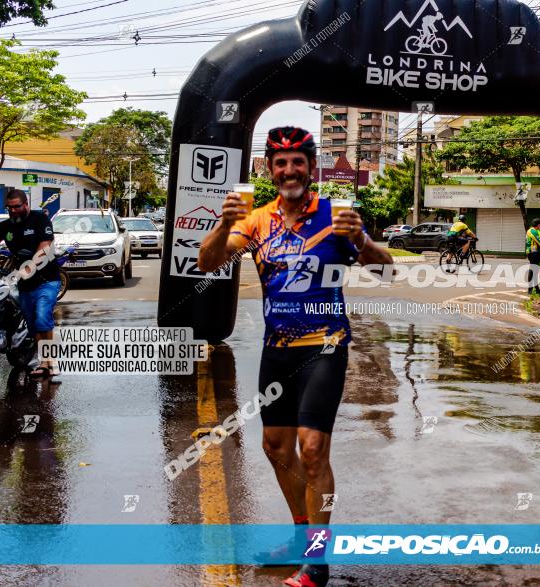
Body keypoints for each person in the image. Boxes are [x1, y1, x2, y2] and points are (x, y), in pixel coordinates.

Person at [197, 126, 392, 587]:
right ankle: (302, 536)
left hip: (325, 348)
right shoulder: (256, 219)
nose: (290, 170)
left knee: (312, 448)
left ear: (310, 166)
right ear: (269, 168)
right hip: (276, 350)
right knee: (276, 448)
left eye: (298, 161)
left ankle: (318, 562)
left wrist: (362, 240)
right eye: (280, 162)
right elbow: (207, 264)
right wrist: (224, 223)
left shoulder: (337, 215)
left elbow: (386, 269)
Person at [0, 189, 61, 378]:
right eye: (10, 207)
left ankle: (48, 363)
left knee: (42, 318)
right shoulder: (5, 227)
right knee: (33, 324)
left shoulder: (39, 219)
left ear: (26, 204)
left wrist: (30, 266)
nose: (13, 211)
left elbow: (45, 247)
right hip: (24, 285)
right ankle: (43, 359)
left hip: (47, 280)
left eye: (17, 206)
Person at [525, 218, 540, 295]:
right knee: (534, 271)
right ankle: (533, 289)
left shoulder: (529, 230)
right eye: (539, 225)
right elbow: (538, 240)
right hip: (533, 253)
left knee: (533, 270)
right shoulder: (533, 231)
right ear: (538, 225)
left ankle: (533, 289)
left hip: (532, 252)